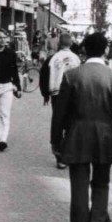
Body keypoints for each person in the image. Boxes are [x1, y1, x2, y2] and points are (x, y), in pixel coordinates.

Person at [51, 32, 112, 222]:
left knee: (78, 189)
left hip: (77, 136)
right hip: (105, 138)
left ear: (84, 50)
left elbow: (59, 114)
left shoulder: (71, 76)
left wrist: (55, 141)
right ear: (105, 50)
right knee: (101, 185)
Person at [47, 33, 81, 169]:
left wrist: (46, 94)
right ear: (71, 43)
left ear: (59, 43)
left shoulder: (54, 58)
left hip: (56, 93)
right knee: (71, 124)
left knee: (58, 122)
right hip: (72, 94)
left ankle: (59, 154)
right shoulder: (76, 58)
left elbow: (47, 74)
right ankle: (68, 152)